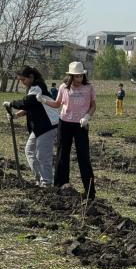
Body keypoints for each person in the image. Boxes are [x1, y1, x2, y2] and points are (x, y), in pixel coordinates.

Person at [40, 61, 97, 200]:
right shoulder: (63, 88)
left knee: (83, 156)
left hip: (81, 125)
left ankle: (90, 192)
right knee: (62, 154)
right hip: (64, 123)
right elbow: (57, 104)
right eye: (76, 76)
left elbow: (93, 105)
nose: (79, 79)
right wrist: (44, 100)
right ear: (70, 76)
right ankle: (60, 185)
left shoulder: (88, 88)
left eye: (81, 76)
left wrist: (87, 116)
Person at [5, 66, 58, 188]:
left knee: (43, 155)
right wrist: (15, 116)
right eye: (20, 80)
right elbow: (30, 107)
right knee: (29, 150)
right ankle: (40, 177)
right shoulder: (32, 89)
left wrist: (11, 104)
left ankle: (47, 183)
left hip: (48, 125)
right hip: (38, 126)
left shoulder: (38, 87)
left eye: (23, 80)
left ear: (31, 77)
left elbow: (26, 102)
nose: (22, 83)